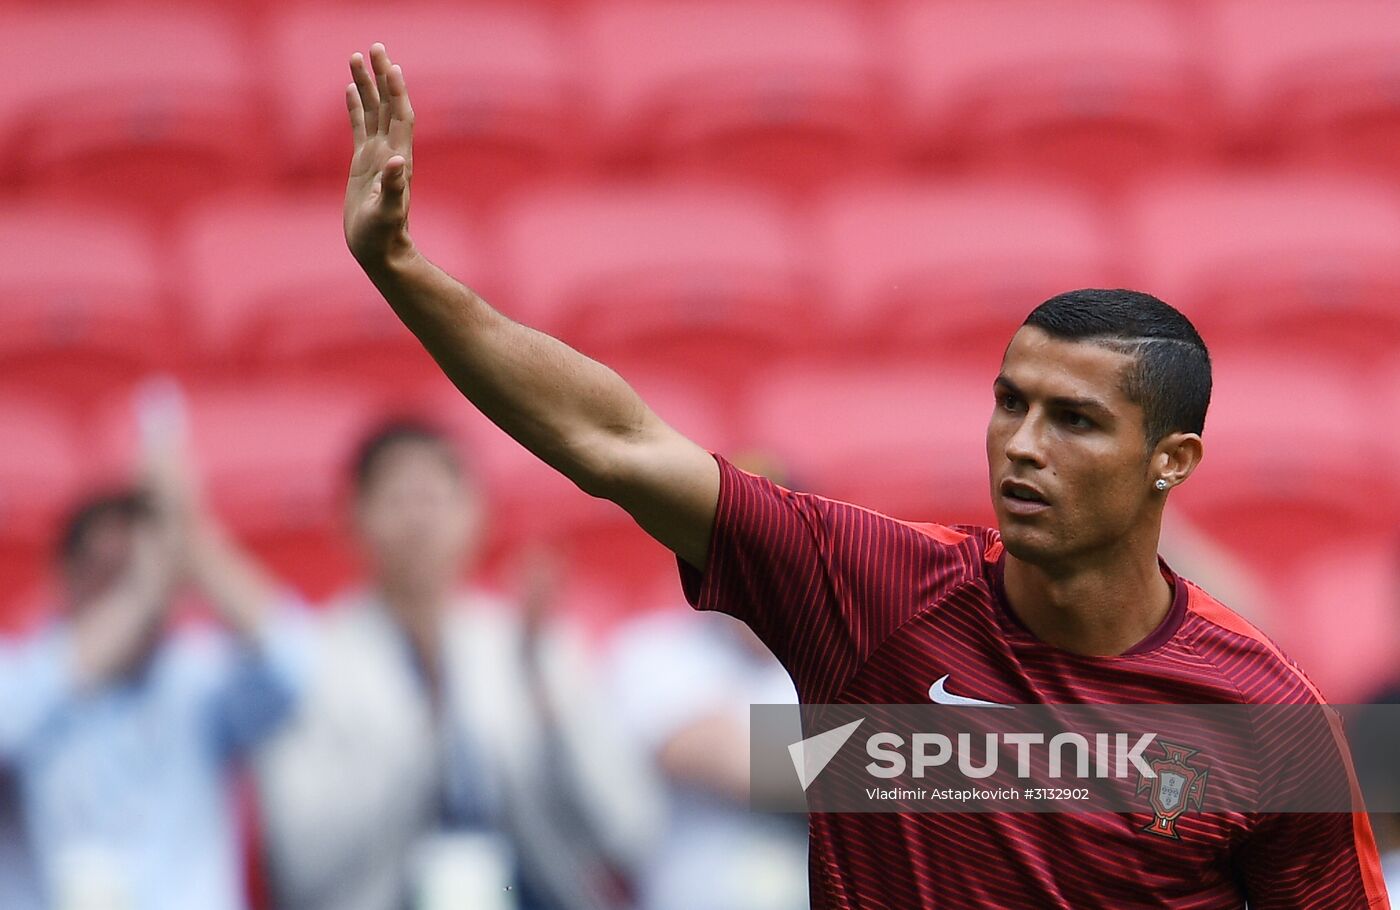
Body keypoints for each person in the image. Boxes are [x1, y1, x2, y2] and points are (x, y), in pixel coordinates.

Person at [339, 44, 1388, 908]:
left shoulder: (1260, 718)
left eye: (1073, 420)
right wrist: (402, 269)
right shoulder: (873, 588)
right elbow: (611, 440)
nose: (1020, 444)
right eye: (1008, 402)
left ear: (1171, 463)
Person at [255, 420, 657, 910]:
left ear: (478, 516)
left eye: (437, 499)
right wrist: (424, 726)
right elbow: (299, 865)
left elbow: (626, 832)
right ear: (352, 519)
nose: (419, 521)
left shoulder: (530, 645)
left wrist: (541, 690)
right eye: (399, 500)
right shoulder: (310, 659)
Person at [0, 392, 310, 910]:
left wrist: (193, 538)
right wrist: (139, 594)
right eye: (106, 572)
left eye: (139, 570)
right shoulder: (24, 672)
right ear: (65, 579)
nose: (131, 589)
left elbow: (295, 665)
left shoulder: (198, 674)